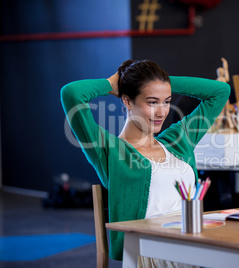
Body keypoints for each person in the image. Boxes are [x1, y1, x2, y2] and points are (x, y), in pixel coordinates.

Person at [60, 59, 230, 264]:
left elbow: (220, 91)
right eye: (152, 102)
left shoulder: (178, 141)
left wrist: (158, 83)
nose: (162, 112)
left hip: (193, 247)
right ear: (127, 101)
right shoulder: (110, 151)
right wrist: (113, 83)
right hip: (151, 254)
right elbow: (72, 93)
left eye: (166, 101)